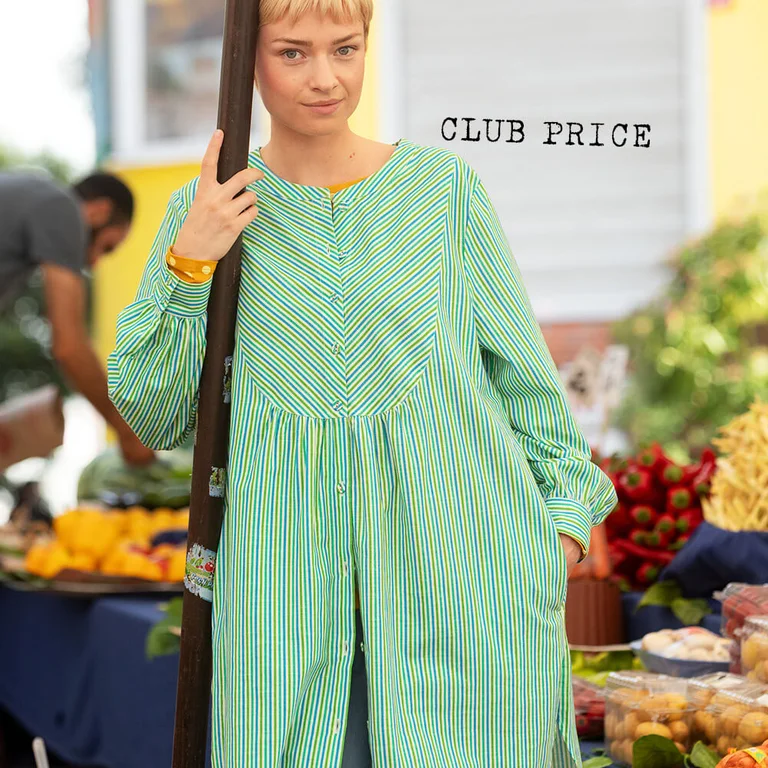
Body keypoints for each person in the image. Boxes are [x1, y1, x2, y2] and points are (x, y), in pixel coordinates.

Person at [107, 0, 619, 765]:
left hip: (463, 607)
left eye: (345, 49)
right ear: (249, 58)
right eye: (293, 53)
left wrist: (558, 539)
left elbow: (529, 392)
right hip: (284, 624)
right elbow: (155, 410)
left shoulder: (444, 195)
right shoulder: (206, 213)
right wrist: (193, 260)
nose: (325, 78)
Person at [0, 170, 154, 465]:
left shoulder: (32, 196)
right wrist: (127, 433)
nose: (93, 263)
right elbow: (70, 346)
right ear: (99, 210)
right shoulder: (63, 209)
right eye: (106, 247)